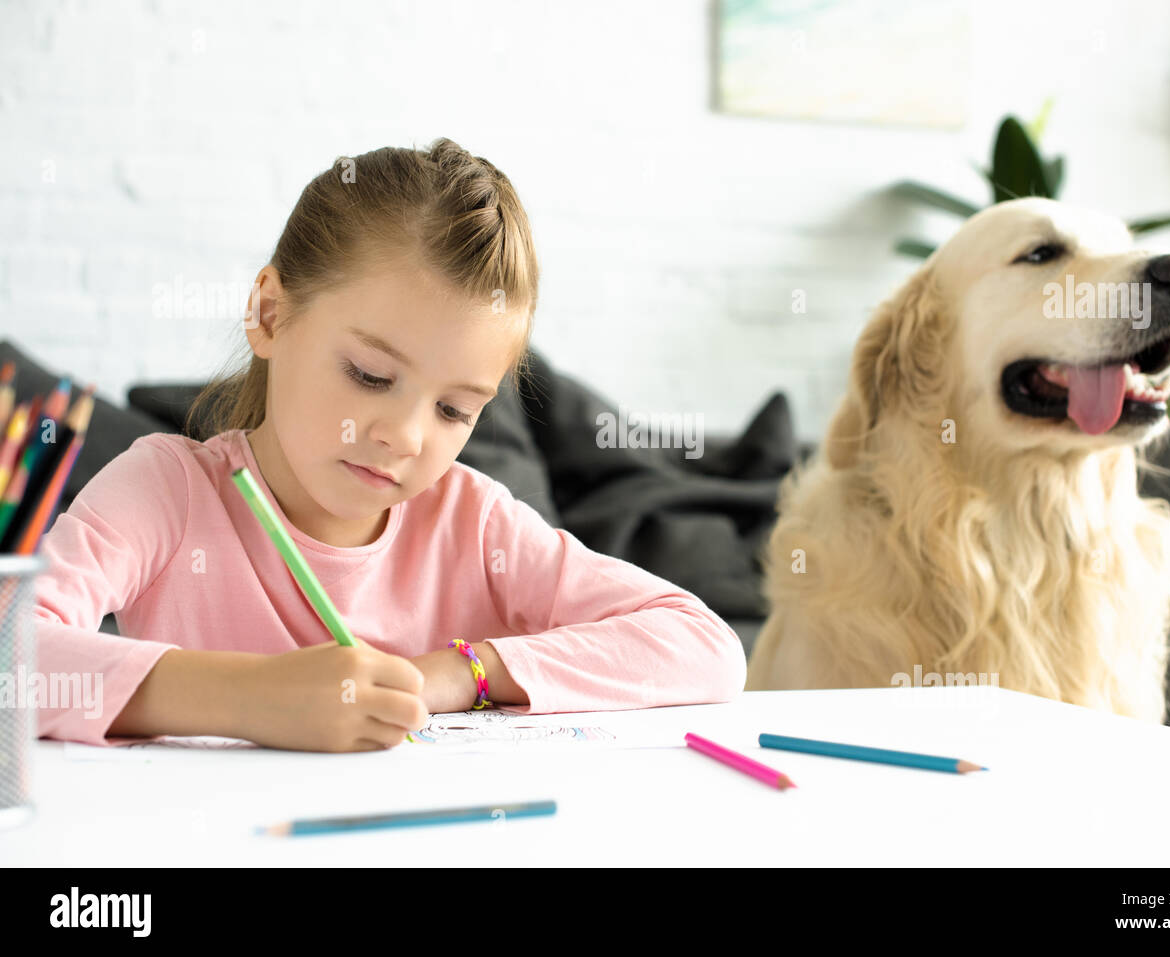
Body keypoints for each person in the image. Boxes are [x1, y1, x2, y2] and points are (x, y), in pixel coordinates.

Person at [33, 139, 747, 751]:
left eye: (454, 409)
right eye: (370, 375)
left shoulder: (474, 524)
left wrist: (458, 672)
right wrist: (249, 698)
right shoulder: (169, 492)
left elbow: (705, 646)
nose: (404, 437)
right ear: (270, 313)